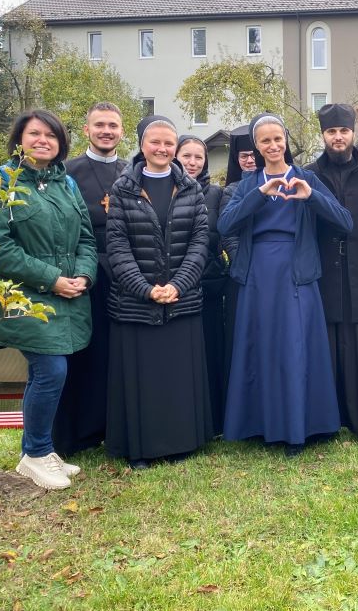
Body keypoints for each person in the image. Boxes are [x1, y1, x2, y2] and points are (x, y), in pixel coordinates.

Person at [218, 114, 353, 456]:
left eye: (278, 139)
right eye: (265, 141)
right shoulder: (249, 184)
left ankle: (298, 428)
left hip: (297, 272)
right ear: (256, 146)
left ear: (286, 140)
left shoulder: (307, 178)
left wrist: (311, 197)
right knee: (262, 347)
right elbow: (225, 225)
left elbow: (345, 222)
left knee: (294, 348)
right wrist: (261, 194)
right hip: (258, 276)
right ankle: (260, 425)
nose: (273, 146)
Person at [0, 110, 97, 489]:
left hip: (65, 292)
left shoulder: (67, 184)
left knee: (45, 372)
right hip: (23, 295)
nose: (43, 140)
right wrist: (52, 280)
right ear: (19, 139)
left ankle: (39, 450)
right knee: (50, 371)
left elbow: (87, 240)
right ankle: (37, 453)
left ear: (61, 143)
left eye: (51, 135)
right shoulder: (0, 182)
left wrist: (83, 274)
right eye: (34, 133)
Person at [105, 115, 212, 468]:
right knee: (143, 380)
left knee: (177, 376)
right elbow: (117, 246)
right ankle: (141, 449)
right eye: (156, 142)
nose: (163, 149)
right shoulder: (122, 189)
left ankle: (182, 442)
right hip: (136, 304)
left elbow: (200, 242)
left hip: (182, 301)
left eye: (169, 143)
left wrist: (178, 285)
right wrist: (146, 289)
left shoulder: (191, 189)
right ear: (141, 146)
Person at [306, 104, 358, 437]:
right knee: (325, 346)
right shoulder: (308, 173)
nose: (338, 138)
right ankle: (328, 420)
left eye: (343, 131)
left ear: (353, 132)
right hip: (324, 274)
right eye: (331, 132)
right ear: (323, 135)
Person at [53, 101, 125, 459]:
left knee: (117, 356)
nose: (106, 131)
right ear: (86, 130)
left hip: (126, 278)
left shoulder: (132, 171)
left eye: (113, 125)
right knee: (83, 354)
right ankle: (77, 434)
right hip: (83, 277)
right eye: (100, 125)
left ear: (122, 132)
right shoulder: (67, 173)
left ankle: (115, 427)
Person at [176, 134, 233, 432]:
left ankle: (214, 421)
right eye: (187, 156)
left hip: (209, 288)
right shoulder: (164, 191)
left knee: (211, 355)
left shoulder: (216, 194)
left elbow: (223, 235)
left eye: (199, 157)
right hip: (176, 289)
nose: (193, 162)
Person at [221, 125, 257, 390]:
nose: (249, 160)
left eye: (253, 154)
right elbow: (228, 234)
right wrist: (241, 261)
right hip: (243, 274)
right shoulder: (231, 190)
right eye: (243, 156)